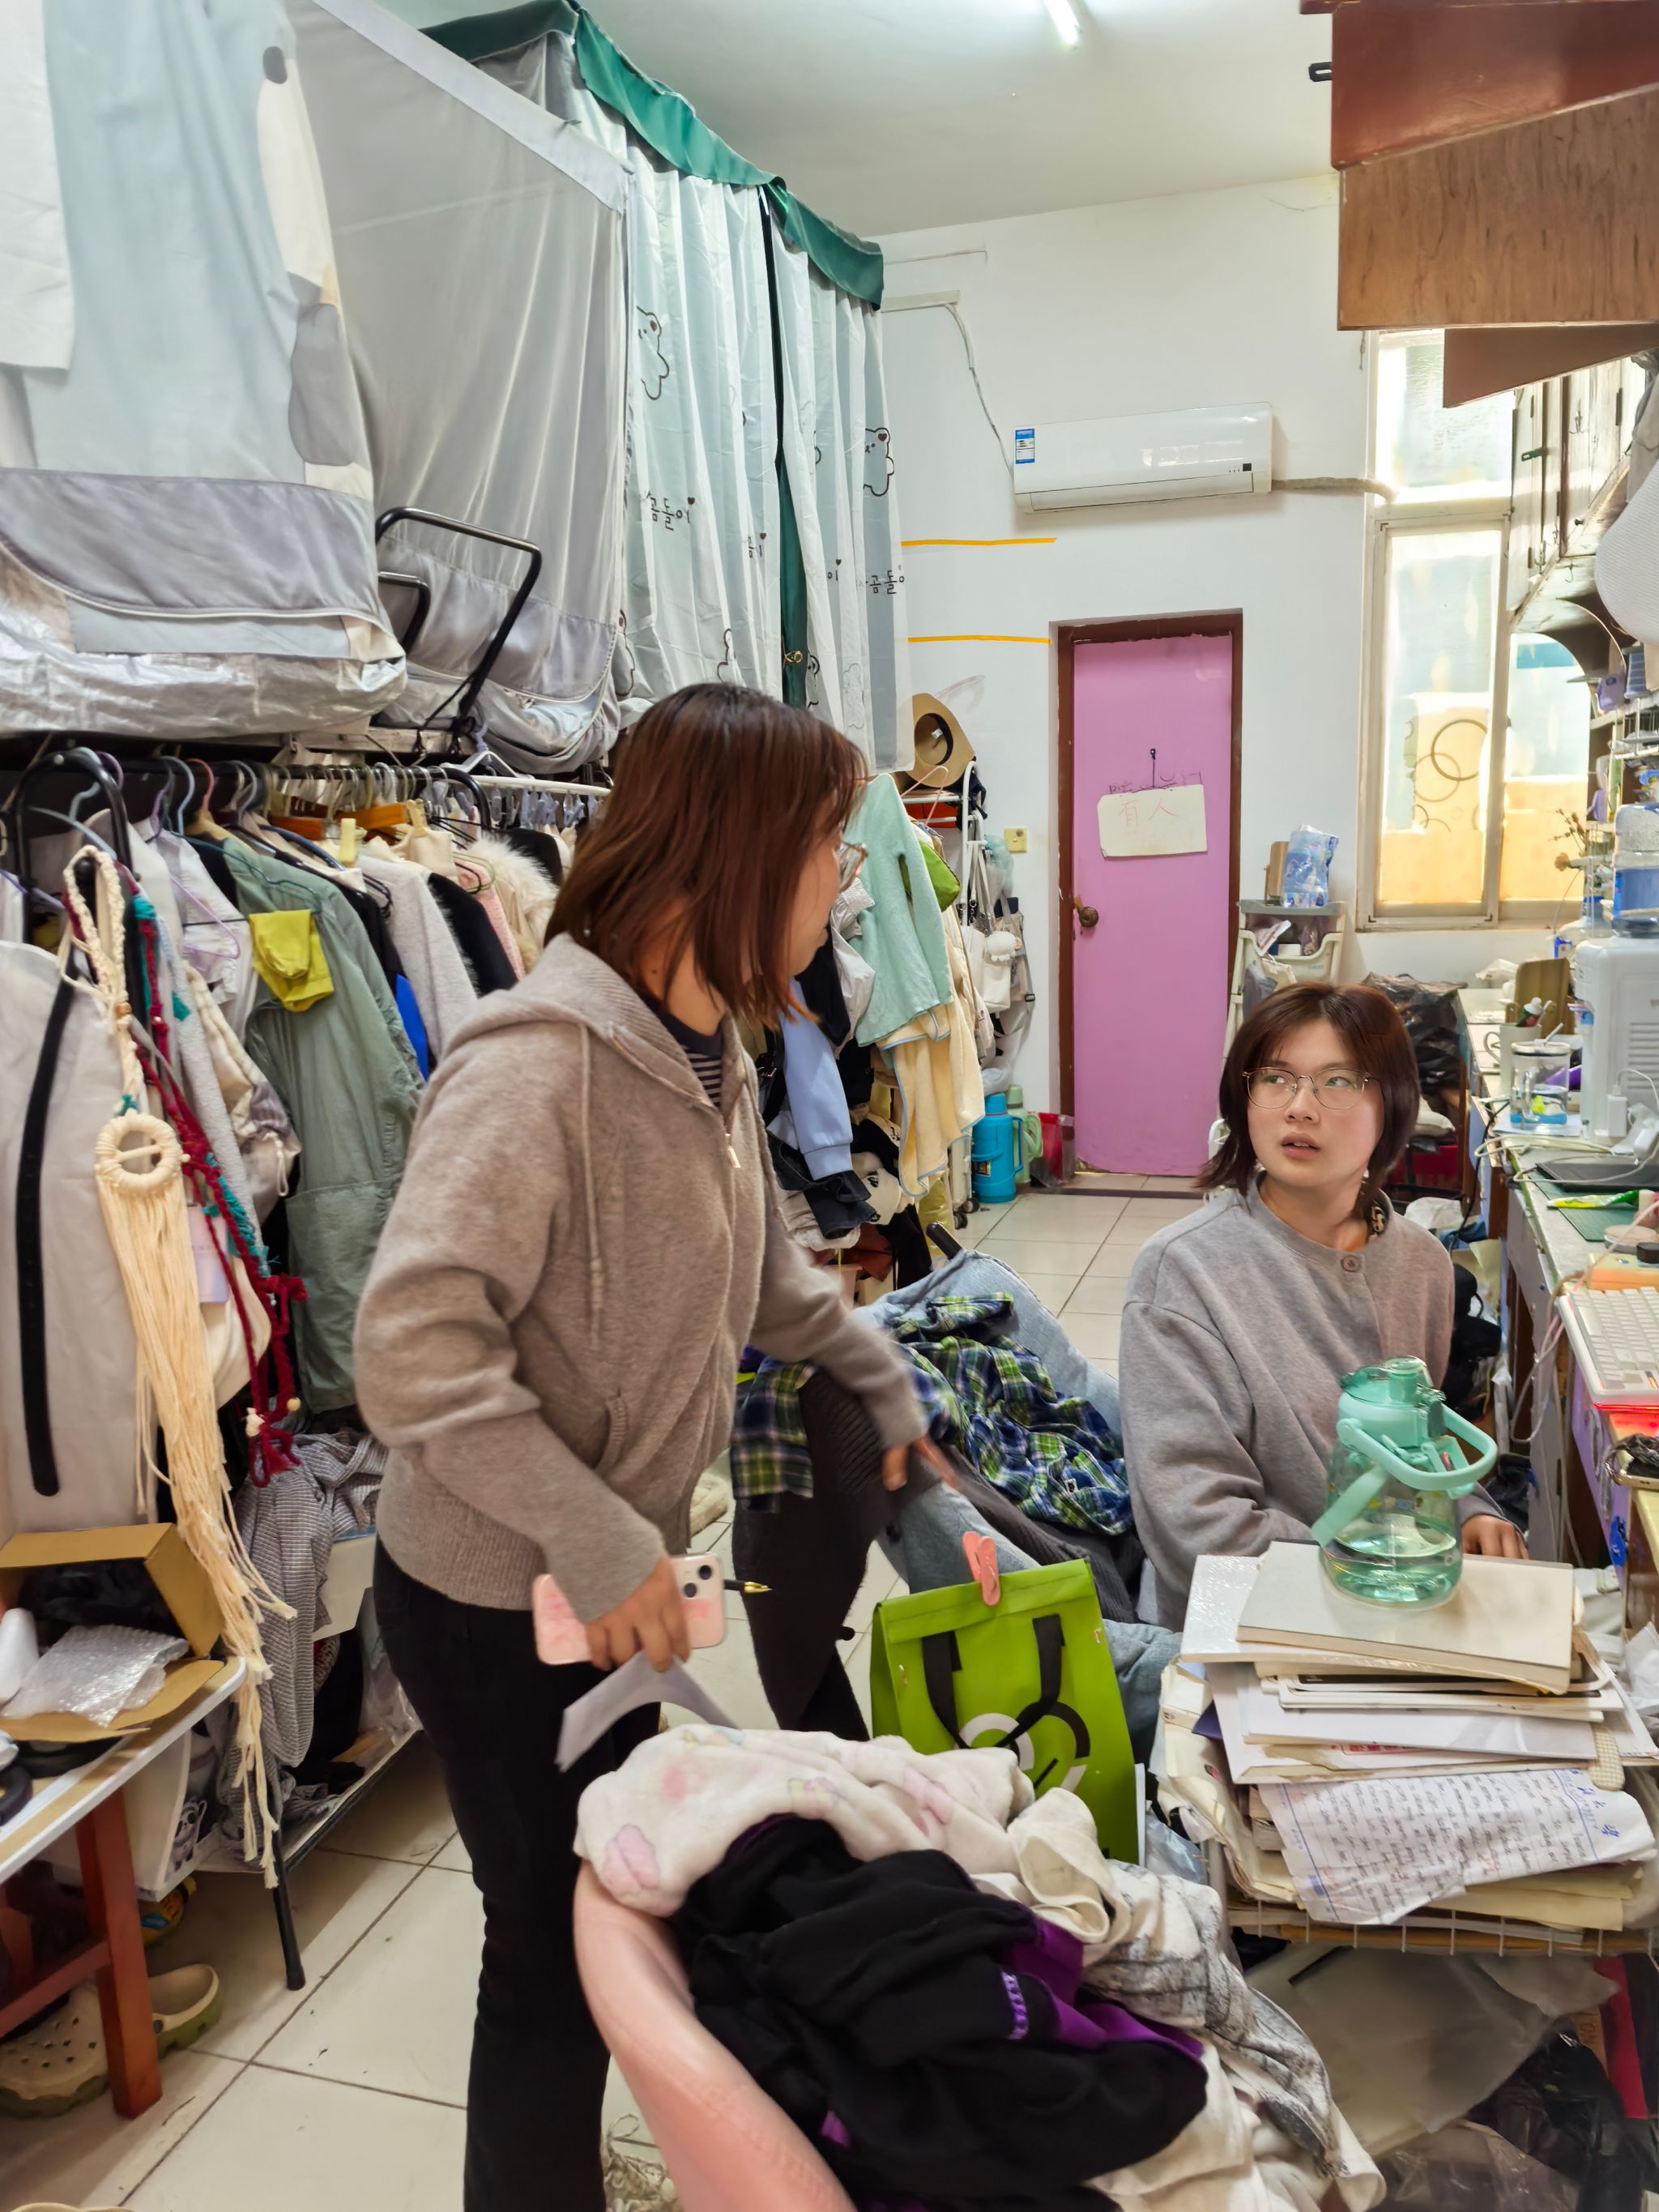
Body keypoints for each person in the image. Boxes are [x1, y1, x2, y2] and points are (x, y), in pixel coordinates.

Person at [352, 685, 928, 2212]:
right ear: (738, 850)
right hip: (491, 1595)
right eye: (827, 845)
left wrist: (876, 1368)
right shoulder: (537, 1060)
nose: (843, 880)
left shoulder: (709, 1040)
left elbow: (759, 1266)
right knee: (548, 1949)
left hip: (599, 1588)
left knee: (616, 1905)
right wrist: (600, 1536)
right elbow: (409, 1347)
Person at [1118, 982, 1520, 1629]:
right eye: (1275, 1079)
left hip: (1395, 1595)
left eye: (1338, 1082)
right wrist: (1375, 1567)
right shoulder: (1183, 1272)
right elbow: (1196, 1529)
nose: (1300, 1108)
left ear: (1393, 1104)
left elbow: (1417, 1440)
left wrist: (1467, 1507)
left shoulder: (1422, 1263)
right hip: (1245, 1619)